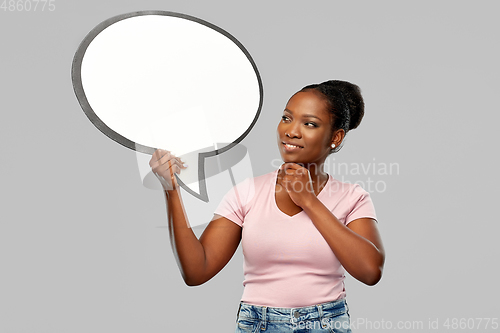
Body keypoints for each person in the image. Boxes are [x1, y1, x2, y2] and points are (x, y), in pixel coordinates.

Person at [149, 80, 385, 332]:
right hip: (257, 325)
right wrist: (171, 189)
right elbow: (197, 271)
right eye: (286, 118)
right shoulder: (247, 192)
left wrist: (309, 201)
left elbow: (370, 271)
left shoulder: (351, 197)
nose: (291, 131)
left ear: (335, 138)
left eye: (309, 124)